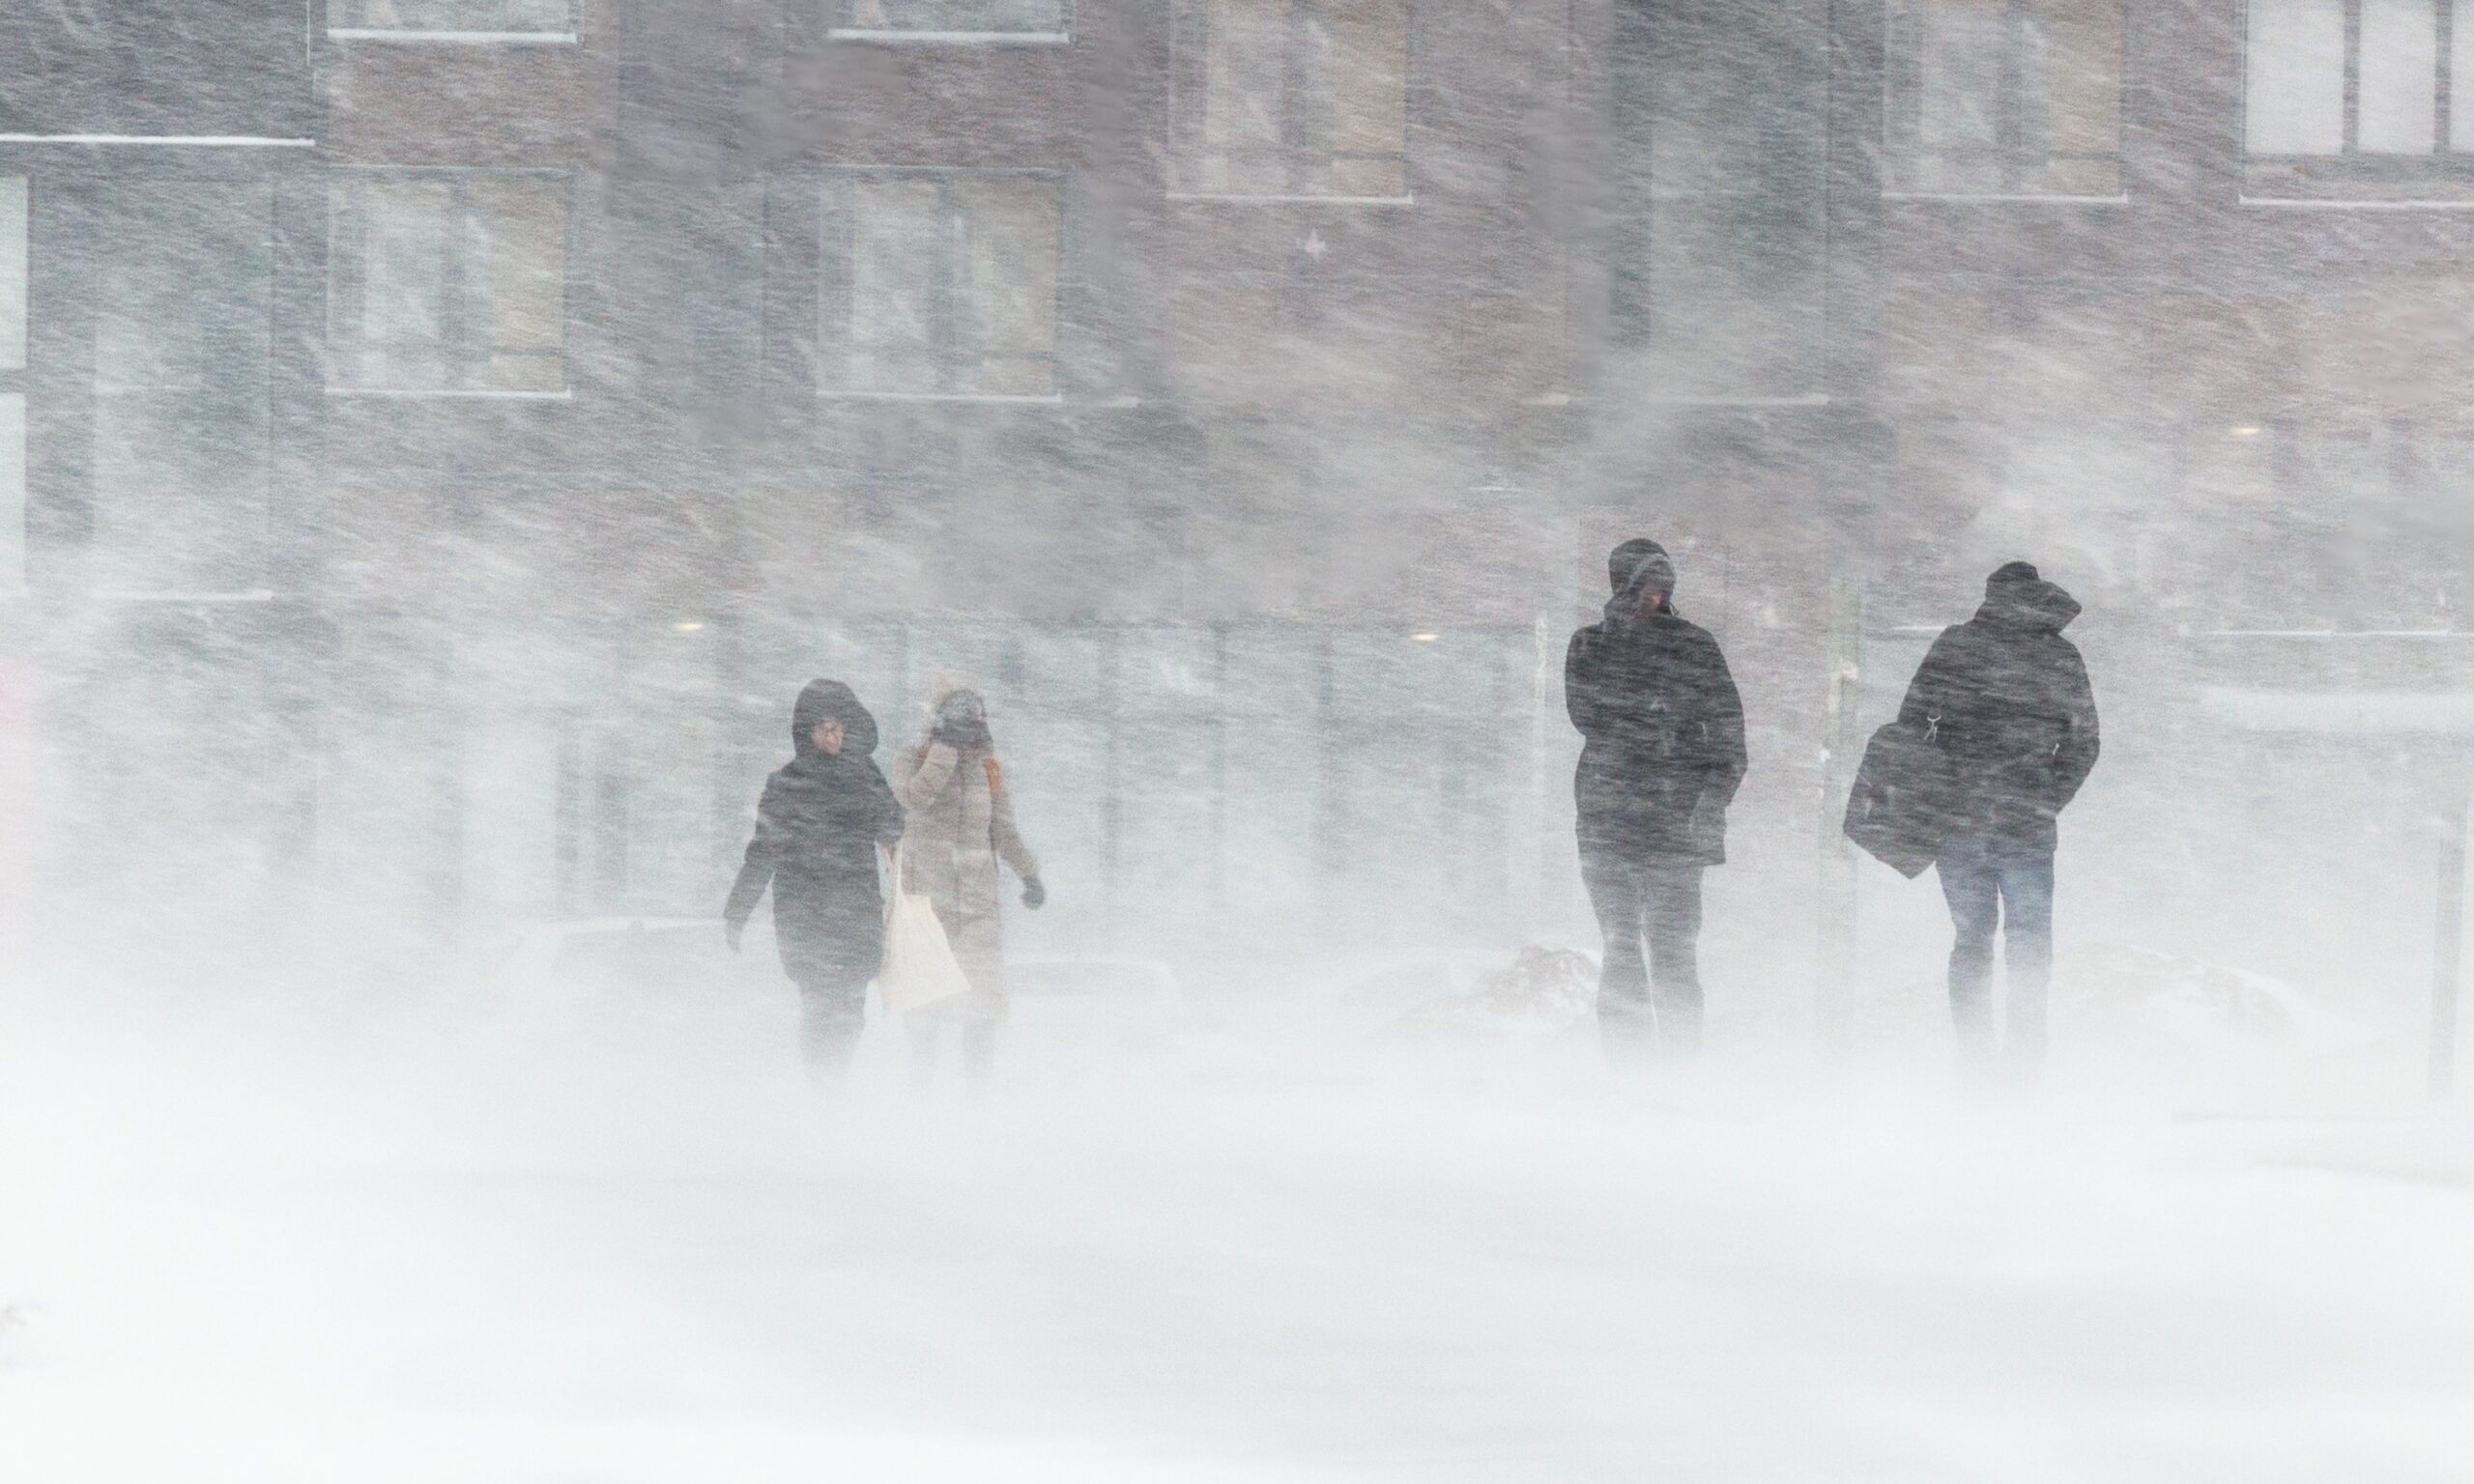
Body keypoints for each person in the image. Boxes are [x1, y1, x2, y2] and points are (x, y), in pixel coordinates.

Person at [1896, 560, 2100, 1079]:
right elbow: (2084, 742)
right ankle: (2024, 1060)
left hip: (1961, 822)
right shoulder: (2058, 654)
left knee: (1972, 939)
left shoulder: (1956, 645)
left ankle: (1975, 1059)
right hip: (2025, 825)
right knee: (2029, 944)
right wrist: (2046, 795)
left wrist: (1942, 782)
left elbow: (1910, 726)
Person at [1566, 538, 1747, 1062]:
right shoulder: (1590, 645)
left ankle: (1680, 1069)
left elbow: (1731, 739)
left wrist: (1710, 801)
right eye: (1644, 584)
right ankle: (1630, 1071)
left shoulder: (1695, 645)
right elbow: (1587, 715)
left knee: (1673, 955)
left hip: (1674, 825)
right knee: (1622, 949)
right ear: (1621, 585)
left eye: (1662, 585)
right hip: (1608, 822)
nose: (1654, 595)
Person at [723, 679, 906, 1089]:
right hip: (806, 915)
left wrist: (869, 781)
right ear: (808, 733)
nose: (832, 736)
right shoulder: (786, 785)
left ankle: (832, 1084)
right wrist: (738, 910)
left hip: (856, 912)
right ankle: (822, 1087)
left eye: (839, 729)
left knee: (852, 1011)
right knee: (820, 1007)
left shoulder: (862, 777)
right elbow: (763, 852)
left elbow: (893, 826)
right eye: (824, 728)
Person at [892, 686, 1044, 1092]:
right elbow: (911, 799)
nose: (969, 730)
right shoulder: (915, 757)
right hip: (927, 901)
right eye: (960, 721)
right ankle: (921, 1088)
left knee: (983, 1004)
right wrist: (943, 752)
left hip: (978, 907)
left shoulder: (988, 769)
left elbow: (1004, 831)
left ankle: (979, 1090)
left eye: (974, 721)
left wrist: (1029, 874)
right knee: (926, 1003)